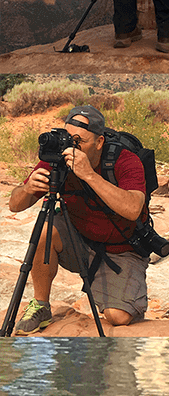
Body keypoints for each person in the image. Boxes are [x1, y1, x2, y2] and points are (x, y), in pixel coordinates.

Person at [9, 105, 149, 332]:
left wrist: (89, 175)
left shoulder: (125, 160)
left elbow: (133, 209)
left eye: (79, 140)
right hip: (79, 239)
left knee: (118, 317)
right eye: (68, 137)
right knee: (46, 227)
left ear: (99, 142)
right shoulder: (59, 159)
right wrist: (27, 189)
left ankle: (117, 290)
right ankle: (41, 305)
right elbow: (14, 205)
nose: (72, 146)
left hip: (121, 248)